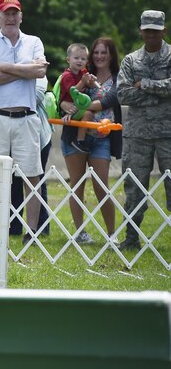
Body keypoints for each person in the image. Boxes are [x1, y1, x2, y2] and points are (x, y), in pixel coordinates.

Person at [0, 0, 48, 244]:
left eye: (14, 13)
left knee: (31, 176)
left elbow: (39, 71)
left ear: (21, 16)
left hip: (26, 117)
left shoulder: (34, 41)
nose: (10, 17)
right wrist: (22, 69)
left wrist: (4, 66)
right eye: (6, 13)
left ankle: (31, 233)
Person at [117, 10, 171, 251]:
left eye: (155, 31)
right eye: (147, 30)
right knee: (134, 188)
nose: (151, 34)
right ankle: (131, 239)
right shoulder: (130, 60)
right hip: (138, 135)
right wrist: (160, 95)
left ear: (163, 31)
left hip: (168, 133)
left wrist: (146, 84)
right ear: (141, 31)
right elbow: (123, 94)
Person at [60, 38, 122, 245]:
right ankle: (80, 233)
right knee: (76, 184)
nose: (99, 56)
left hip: (101, 139)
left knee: (101, 186)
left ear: (111, 54)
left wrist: (85, 108)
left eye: (104, 52)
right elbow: (67, 94)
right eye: (96, 52)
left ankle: (112, 234)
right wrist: (64, 103)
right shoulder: (82, 75)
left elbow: (111, 99)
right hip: (75, 137)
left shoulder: (118, 77)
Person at [9, 75, 53, 236]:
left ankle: (41, 228)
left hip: (39, 136)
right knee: (14, 181)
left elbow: (34, 97)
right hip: (14, 132)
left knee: (36, 179)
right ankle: (14, 227)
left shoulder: (38, 72)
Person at [58, 43, 96, 153]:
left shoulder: (83, 72)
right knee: (88, 113)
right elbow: (73, 91)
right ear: (68, 60)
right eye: (76, 58)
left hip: (78, 103)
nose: (80, 61)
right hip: (68, 106)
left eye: (83, 59)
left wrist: (91, 82)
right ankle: (79, 140)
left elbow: (89, 86)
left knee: (88, 112)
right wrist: (83, 81)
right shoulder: (67, 75)